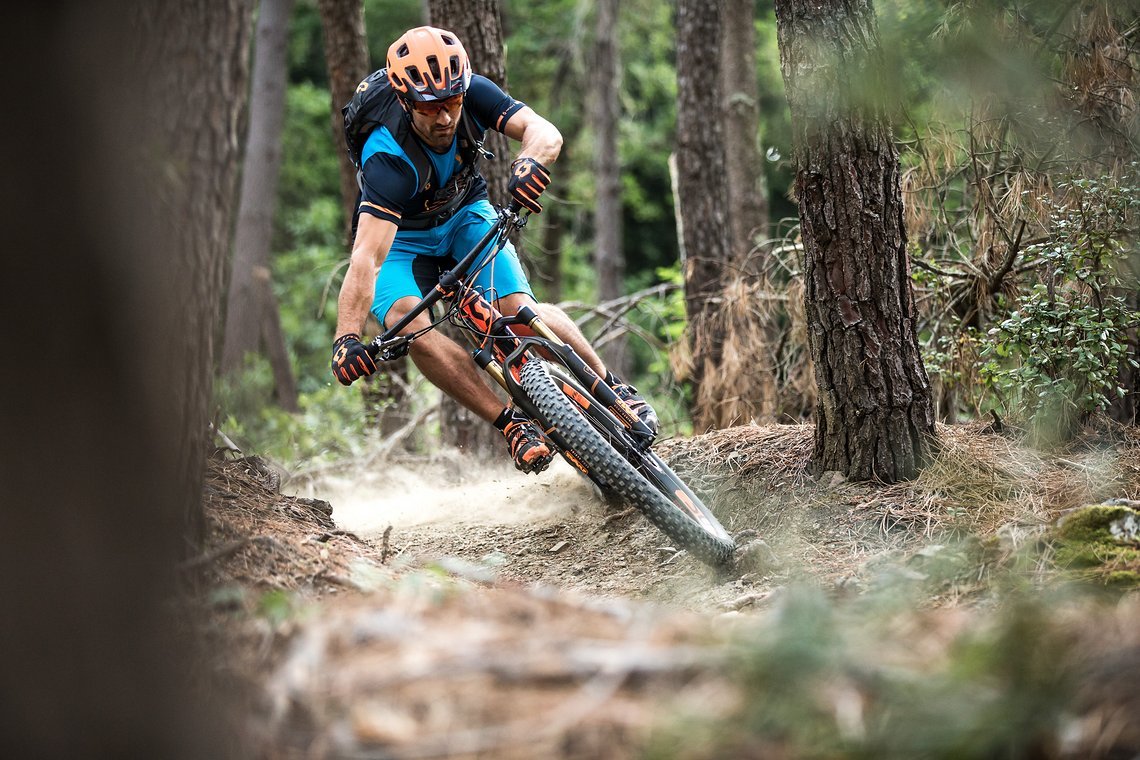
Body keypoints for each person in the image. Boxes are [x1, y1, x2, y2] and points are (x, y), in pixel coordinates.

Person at [331, 25, 656, 474]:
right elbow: (368, 257)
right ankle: (511, 424)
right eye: (430, 108)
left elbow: (544, 132)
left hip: (466, 214)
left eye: (451, 103)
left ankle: (611, 388)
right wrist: (346, 337)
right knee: (410, 326)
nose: (445, 118)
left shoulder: (474, 92)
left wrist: (530, 162)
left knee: (519, 310)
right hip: (403, 241)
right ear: (406, 103)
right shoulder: (387, 158)